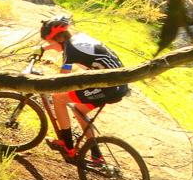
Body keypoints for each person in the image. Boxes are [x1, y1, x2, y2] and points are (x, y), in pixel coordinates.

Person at [39, 14, 128, 160]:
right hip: (117, 84)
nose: (50, 46)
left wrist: (45, 85)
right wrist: (43, 48)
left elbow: (61, 80)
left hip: (108, 87)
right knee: (79, 109)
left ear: (58, 39)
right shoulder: (78, 39)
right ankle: (96, 155)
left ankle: (67, 146)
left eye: (49, 42)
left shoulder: (71, 51)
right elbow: (59, 48)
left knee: (58, 98)